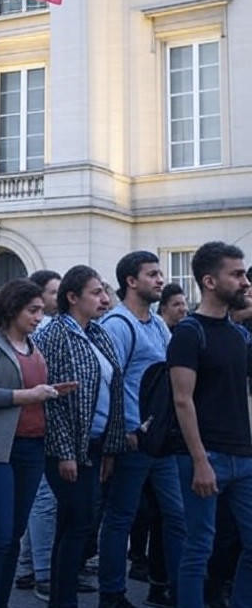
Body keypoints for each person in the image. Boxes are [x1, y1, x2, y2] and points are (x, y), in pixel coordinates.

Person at [0, 278, 68, 608]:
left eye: (40, 310)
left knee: (13, 535)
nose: (39, 317)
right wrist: (26, 396)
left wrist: (51, 392)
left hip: (32, 448)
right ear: (13, 309)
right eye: (33, 310)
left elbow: (34, 390)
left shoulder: (33, 347)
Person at [98, 251, 186, 608]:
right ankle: (112, 593)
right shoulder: (117, 325)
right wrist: (124, 432)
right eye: (152, 274)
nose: (160, 280)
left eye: (159, 273)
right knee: (121, 517)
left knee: (176, 515)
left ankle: (177, 587)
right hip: (133, 440)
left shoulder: (157, 324)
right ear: (131, 282)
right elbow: (108, 382)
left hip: (161, 440)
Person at [35, 265, 125, 608]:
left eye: (104, 291)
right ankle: (62, 598)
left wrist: (110, 448)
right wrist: (65, 453)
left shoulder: (97, 333)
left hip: (96, 442)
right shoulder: (55, 334)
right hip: (69, 447)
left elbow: (111, 386)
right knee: (78, 522)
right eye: (95, 292)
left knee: (76, 523)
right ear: (72, 298)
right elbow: (53, 400)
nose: (104, 298)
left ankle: (62, 595)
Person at [168, 241, 252, 608]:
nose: (245, 282)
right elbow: (182, 400)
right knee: (198, 546)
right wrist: (199, 460)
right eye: (236, 274)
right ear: (210, 281)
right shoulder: (189, 333)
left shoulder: (238, 335)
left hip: (244, 456)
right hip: (205, 456)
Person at [15, 269, 62, 597]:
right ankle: (41, 572)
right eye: (53, 293)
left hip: (42, 426)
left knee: (38, 500)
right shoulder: (39, 335)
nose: (56, 299)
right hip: (26, 431)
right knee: (42, 500)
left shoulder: (41, 333)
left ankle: (28, 566)